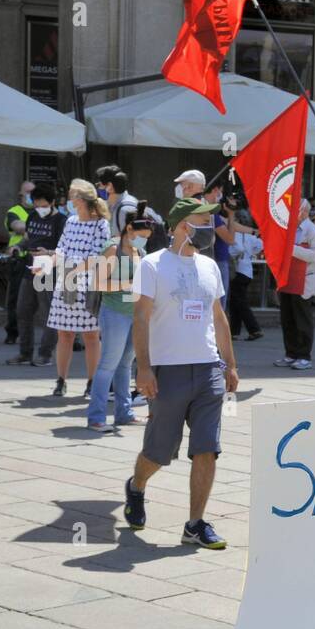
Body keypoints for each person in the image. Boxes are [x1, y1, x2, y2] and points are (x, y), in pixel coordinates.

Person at [124, 197, 239, 550]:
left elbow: (218, 317)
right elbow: (141, 317)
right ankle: (137, 485)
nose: (209, 226)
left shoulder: (209, 266)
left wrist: (230, 363)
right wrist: (143, 368)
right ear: (180, 226)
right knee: (159, 452)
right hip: (167, 369)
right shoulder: (154, 265)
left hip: (207, 370)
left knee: (207, 448)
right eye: (202, 219)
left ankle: (194, 524)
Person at [85, 203, 155, 432]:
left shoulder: (140, 252)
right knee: (107, 365)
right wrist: (129, 284)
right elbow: (97, 283)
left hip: (135, 315)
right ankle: (96, 417)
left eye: (147, 237)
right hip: (114, 313)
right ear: (129, 230)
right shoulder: (112, 249)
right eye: (141, 236)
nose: (143, 241)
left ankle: (124, 413)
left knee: (125, 364)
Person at [44, 179, 110, 397]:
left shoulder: (101, 224)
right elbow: (61, 249)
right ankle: (61, 380)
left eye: (72, 197)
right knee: (64, 334)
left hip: (88, 284)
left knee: (91, 336)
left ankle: (92, 382)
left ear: (80, 200)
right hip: (67, 282)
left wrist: (72, 268)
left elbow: (97, 256)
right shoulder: (71, 221)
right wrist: (47, 264)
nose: (69, 201)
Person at [6, 183, 68, 367]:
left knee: (48, 313)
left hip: (49, 270)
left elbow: (64, 248)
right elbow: (28, 239)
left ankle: (45, 354)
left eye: (43, 205)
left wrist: (47, 252)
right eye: (36, 205)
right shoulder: (32, 216)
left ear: (52, 202)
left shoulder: (61, 221)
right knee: (23, 310)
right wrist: (18, 247)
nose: (39, 209)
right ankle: (25, 353)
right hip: (30, 268)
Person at [273, 198, 315, 371]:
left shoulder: (312, 230)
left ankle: (304, 356)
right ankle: (291, 354)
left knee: (302, 319)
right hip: (287, 280)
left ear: (303, 212)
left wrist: (291, 249)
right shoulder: (288, 228)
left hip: (304, 281)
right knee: (287, 319)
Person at [2, 181, 34, 345]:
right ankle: (12, 332)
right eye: (27, 192)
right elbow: (18, 226)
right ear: (20, 194)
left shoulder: (41, 210)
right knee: (15, 299)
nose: (30, 195)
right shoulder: (13, 211)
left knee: (42, 300)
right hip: (19, 259)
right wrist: (40, 226)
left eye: (33, 192)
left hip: (39, 260)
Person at [227, 210, 264, 341]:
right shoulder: (251, 236)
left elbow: (235, 249)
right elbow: (260, 246)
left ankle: (254, 329)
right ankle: (234, 331)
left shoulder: (234, 234)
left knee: (240, 302)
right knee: (236, 301)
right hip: (247, 271)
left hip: (237, 270)